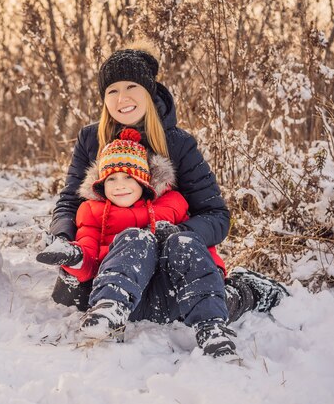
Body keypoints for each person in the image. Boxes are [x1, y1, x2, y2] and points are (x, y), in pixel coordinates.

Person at [41, 44, 288, 358]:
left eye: (132, 87)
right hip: (109, 266)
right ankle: (110, 309)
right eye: (112, 90)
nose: (122, 98)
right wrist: (64, 241)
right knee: (115, 271)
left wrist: (177, 233)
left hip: (171, 266)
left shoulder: (178, 144)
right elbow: (70, 202)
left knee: (207, 298)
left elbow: (215, 214)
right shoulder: (91, 139)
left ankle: (246, 291)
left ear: (149, 90)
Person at [37, 127, 238, 358]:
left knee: (184, 240)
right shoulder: (91, 211)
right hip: (127, 298)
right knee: (135, 237)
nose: (119, 185)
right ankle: (109, 312)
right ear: (101, 183)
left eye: (128, 177)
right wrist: (72, 257)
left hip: (170, 295)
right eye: (111, 178)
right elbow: (88, 256)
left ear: (144, 181)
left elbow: (199, 250)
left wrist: (214, 273)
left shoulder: (172, 205)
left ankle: (211, 326)